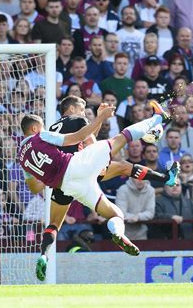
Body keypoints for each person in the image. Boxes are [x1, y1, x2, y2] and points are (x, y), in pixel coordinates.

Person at [20, 98, 174, 280]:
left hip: (65, 186)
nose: (84, 112)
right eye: (82, 109)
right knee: (121, 140)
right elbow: (78, 138)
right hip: (79, 165)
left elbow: (34, 187)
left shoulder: (22, 159)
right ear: (35, 129)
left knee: (54, 224)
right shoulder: (45, 134)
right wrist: (100, 118)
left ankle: (44, 255)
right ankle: (157, 118)